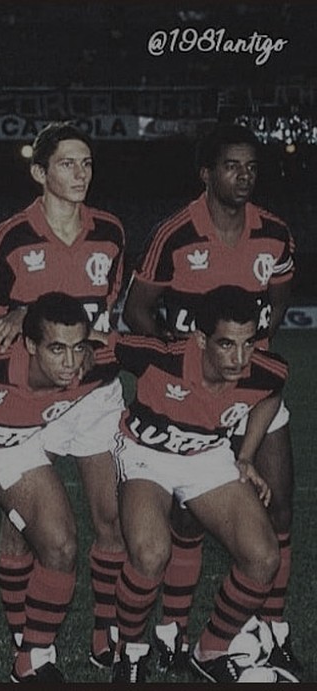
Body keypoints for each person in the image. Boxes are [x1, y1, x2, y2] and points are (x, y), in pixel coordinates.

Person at [122, 123, 298, 677]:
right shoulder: (174, 233)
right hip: (190, 392)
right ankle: (172, 630)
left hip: (249, 383)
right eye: (231, 166)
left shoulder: (275, 233)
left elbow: (278, 305)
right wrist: (178, 358)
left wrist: (249, 362)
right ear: (206, 172)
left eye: (251, 167)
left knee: (280, 504)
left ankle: (271, 629)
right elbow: (136, 311)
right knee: (187, 516)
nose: (243, 176)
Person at [0, 122, 127, 670]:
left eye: (86, 163)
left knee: (110, 518)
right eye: (67, 163)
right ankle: (27, 637)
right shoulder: (11, 235)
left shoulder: (110, 231)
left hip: (93, 394)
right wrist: (19, 314)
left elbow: (106, 315)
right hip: (28, 397)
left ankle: (105, 629)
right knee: (23, 528)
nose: (80, 173)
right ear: (40, 172)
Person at [0, 292, 118, 682]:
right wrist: (9, 316)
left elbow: (151, 349)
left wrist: (92, 346)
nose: (69, 362)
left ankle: (33, 659)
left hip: (17, 444)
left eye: (77, 348)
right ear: (29, 344)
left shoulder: (98, 366)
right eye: (57, 349)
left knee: (62, 546)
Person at [110, 286, 287, 683]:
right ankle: (129, 650)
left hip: (207, 455)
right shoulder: (159, 355)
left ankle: (210, 651)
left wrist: (246, 455)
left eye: (248, 343)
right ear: (201, 339)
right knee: (151, 553)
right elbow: (99, 341)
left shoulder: (265, 369)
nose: (240, 358)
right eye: (227, 344)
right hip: (146, 455)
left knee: (263, 558)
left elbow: (271, 394)